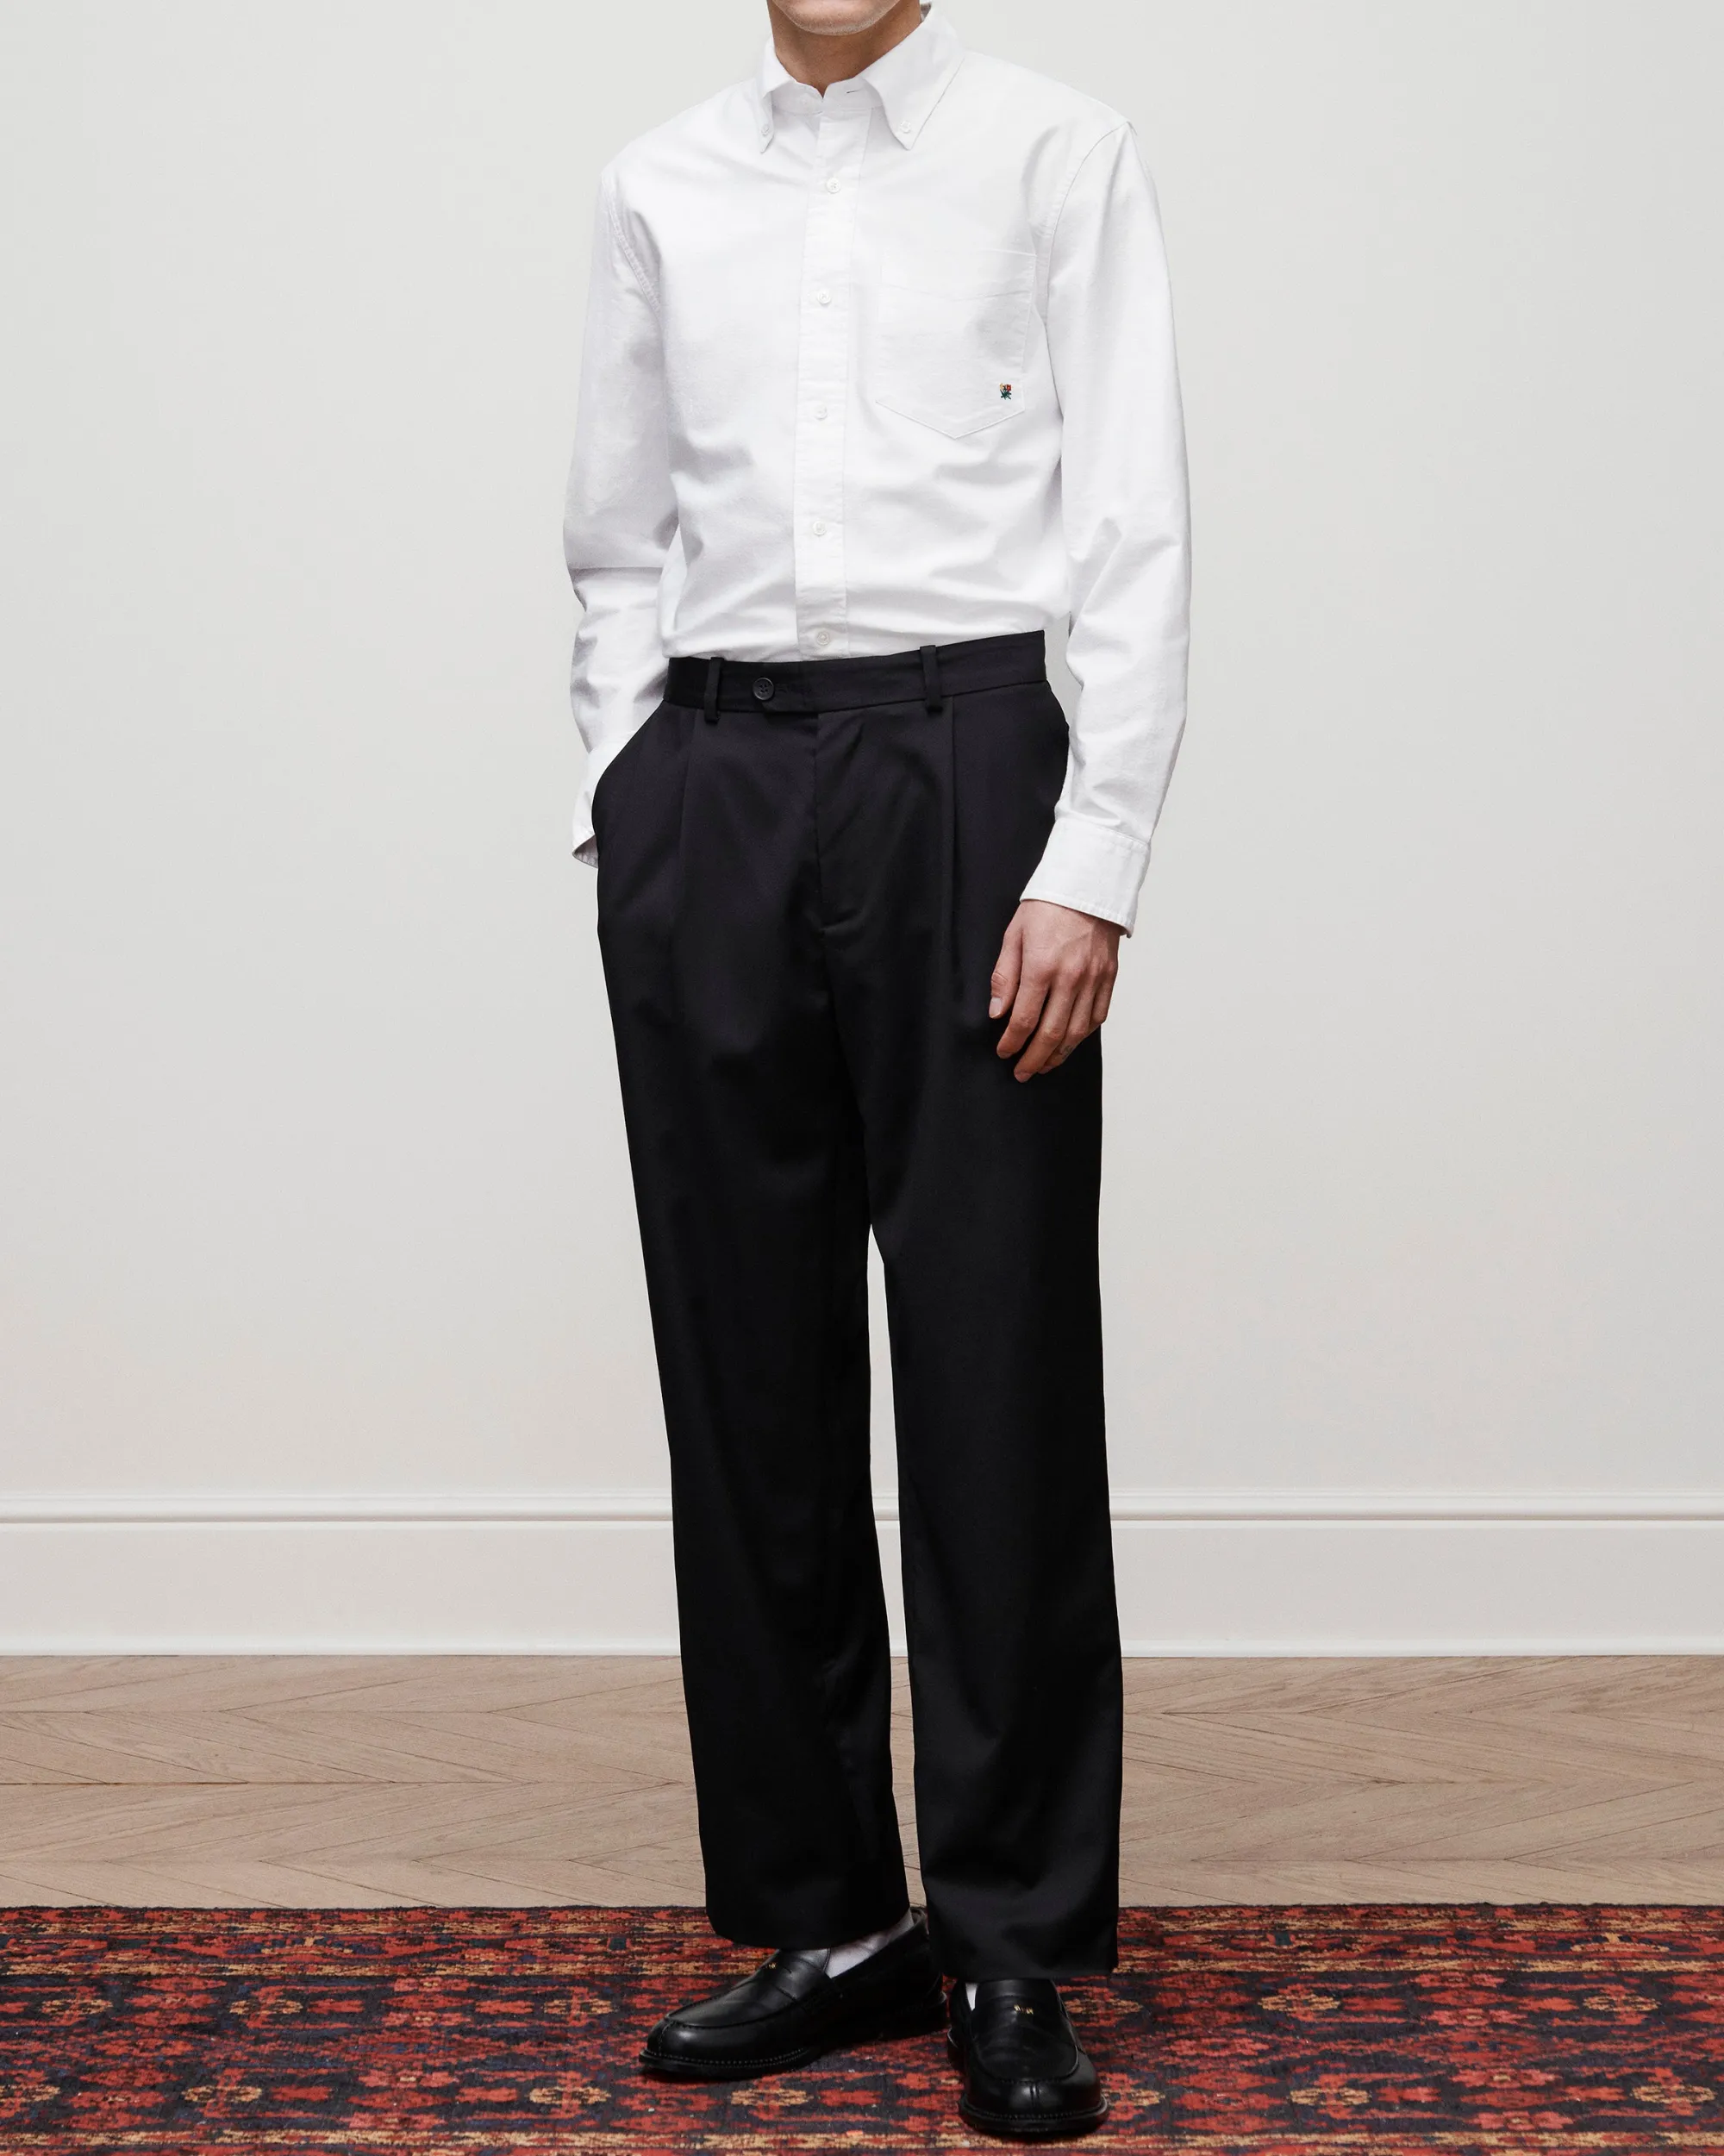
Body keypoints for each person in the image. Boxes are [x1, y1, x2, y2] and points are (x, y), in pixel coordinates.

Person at [563, 0, 1188, 2134]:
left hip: (968, 763)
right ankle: (824, 1916)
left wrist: (1089, 854)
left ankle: (1009, 1937)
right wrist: (627, 801)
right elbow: (613, 532)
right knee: (746, 1375)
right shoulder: (659, 182)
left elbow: (1132, 518)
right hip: (715, 775)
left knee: (995, 1364)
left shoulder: (1055, 149)